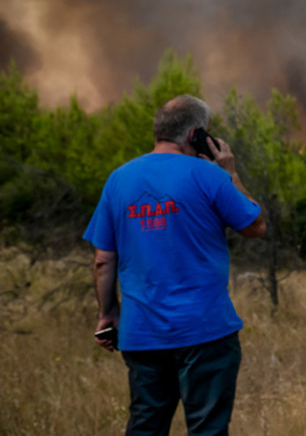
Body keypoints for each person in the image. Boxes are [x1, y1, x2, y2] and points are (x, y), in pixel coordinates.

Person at [85, 94, 266, 435]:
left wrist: (107, 314)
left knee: (146, 428)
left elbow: (102, 260)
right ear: (195, 135)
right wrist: (231, 172)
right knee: (207, 430)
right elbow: (255, 226)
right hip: (206, 331)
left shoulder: (118, 180)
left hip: (141, 333)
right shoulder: (208, 175)